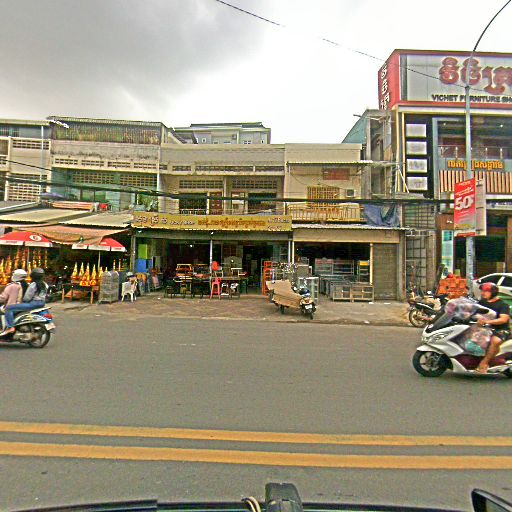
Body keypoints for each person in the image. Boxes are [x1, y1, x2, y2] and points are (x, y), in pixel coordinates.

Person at [476, 282, 511, 373]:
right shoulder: (482, 302)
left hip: (501, 330)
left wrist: (487, 322)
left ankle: (485, 362)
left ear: (493, 292)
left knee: (495, 341)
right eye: (482, 291)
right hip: (485, 328)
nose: (483, 293)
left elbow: (504, 319)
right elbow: (474, 311)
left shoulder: (502, 305)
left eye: (486, 291)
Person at [1, 268, 48, 336]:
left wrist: (23, 301)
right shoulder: (44, 284)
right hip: (42, 303)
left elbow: (27, 297)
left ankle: (10, 327)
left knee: (9, 308)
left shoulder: (33, 284)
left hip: (33, 303)